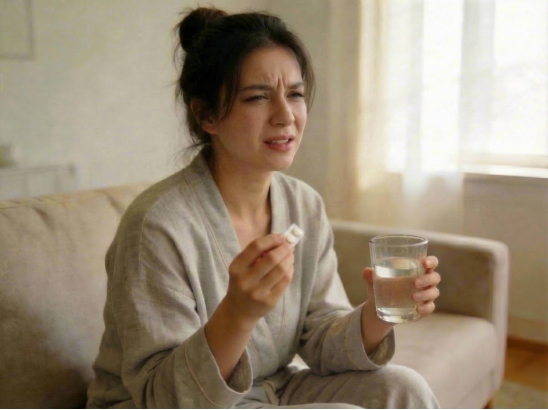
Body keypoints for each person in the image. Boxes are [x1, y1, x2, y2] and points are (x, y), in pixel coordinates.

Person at [86, 7, 442, 409]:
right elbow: (163, 397)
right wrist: (237, 314)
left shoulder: (303, 204)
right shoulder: (157, 225)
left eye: (295, 94)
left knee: (404, 388)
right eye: (258, 97)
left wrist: (379, 312)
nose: (285, 116)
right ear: (206, 115)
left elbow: (319, 336)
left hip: (272, 389)